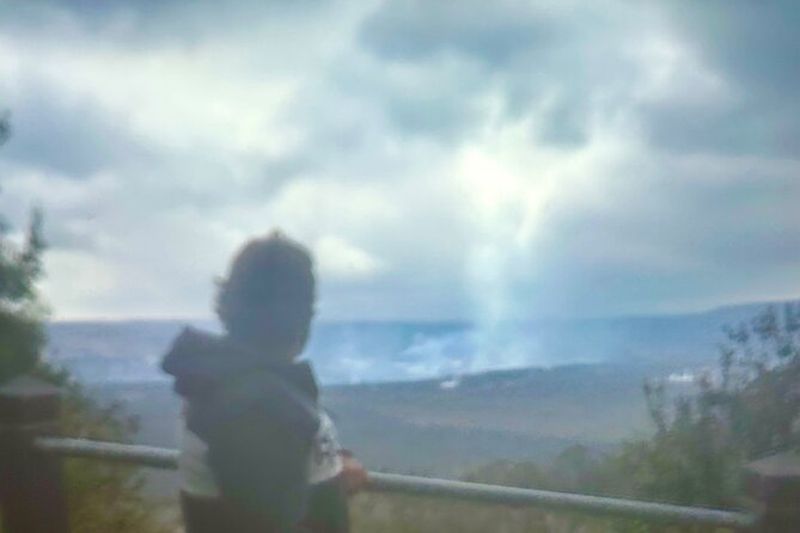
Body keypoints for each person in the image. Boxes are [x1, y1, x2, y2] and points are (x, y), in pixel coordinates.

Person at [162, 231, 368, 533]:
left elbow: (265, 484)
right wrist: (333, 487)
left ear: (228, 306)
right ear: (304, 316)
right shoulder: (252, 408)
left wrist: (332, 472)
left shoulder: (244, 385)